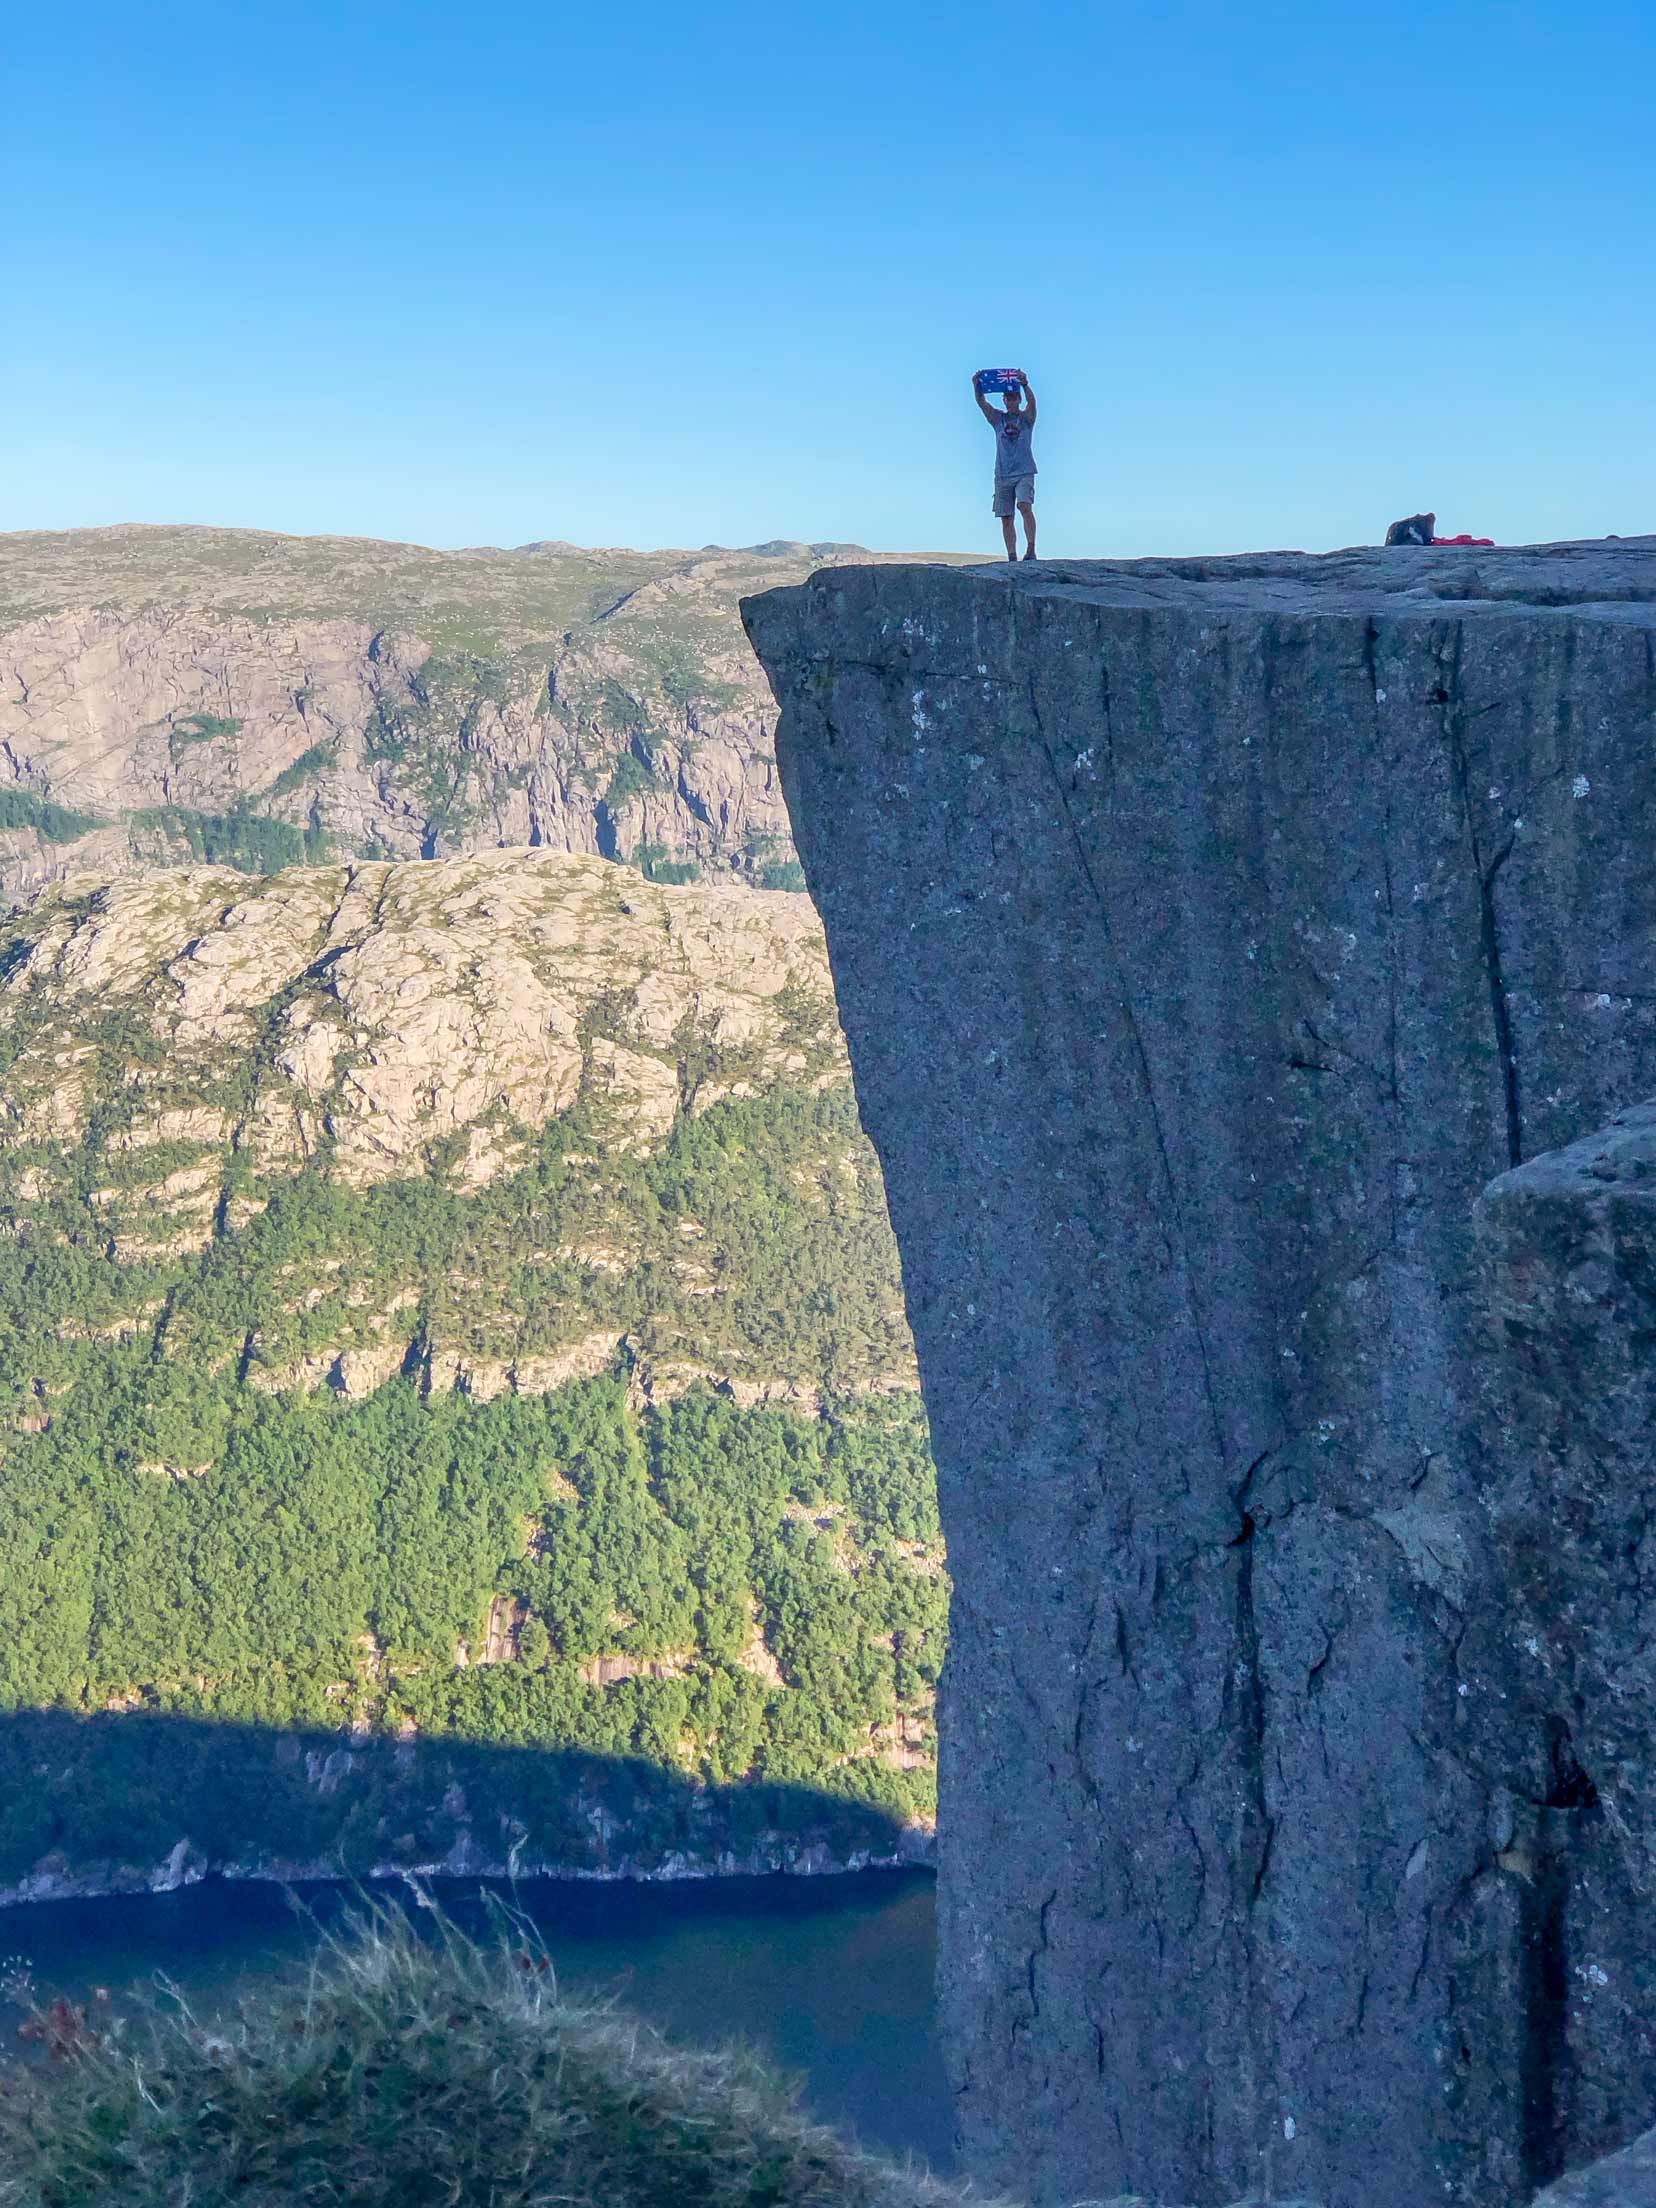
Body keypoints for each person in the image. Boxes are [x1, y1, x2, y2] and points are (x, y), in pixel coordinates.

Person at [974, 370, 1038, 560]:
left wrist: (1025, 385)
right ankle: (1011, 555)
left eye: (1013, 398)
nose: (1010, 401)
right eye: (1007, 398)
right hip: (1002, 474)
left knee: (1025, 506)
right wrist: (976, 385)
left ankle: (1031, 548)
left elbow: (1033, 404)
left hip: (1024, 470)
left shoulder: (1027, 419)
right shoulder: (998, 419)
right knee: (1006, 516)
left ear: (1018, 399)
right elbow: (982, 403)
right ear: (1004, 401)